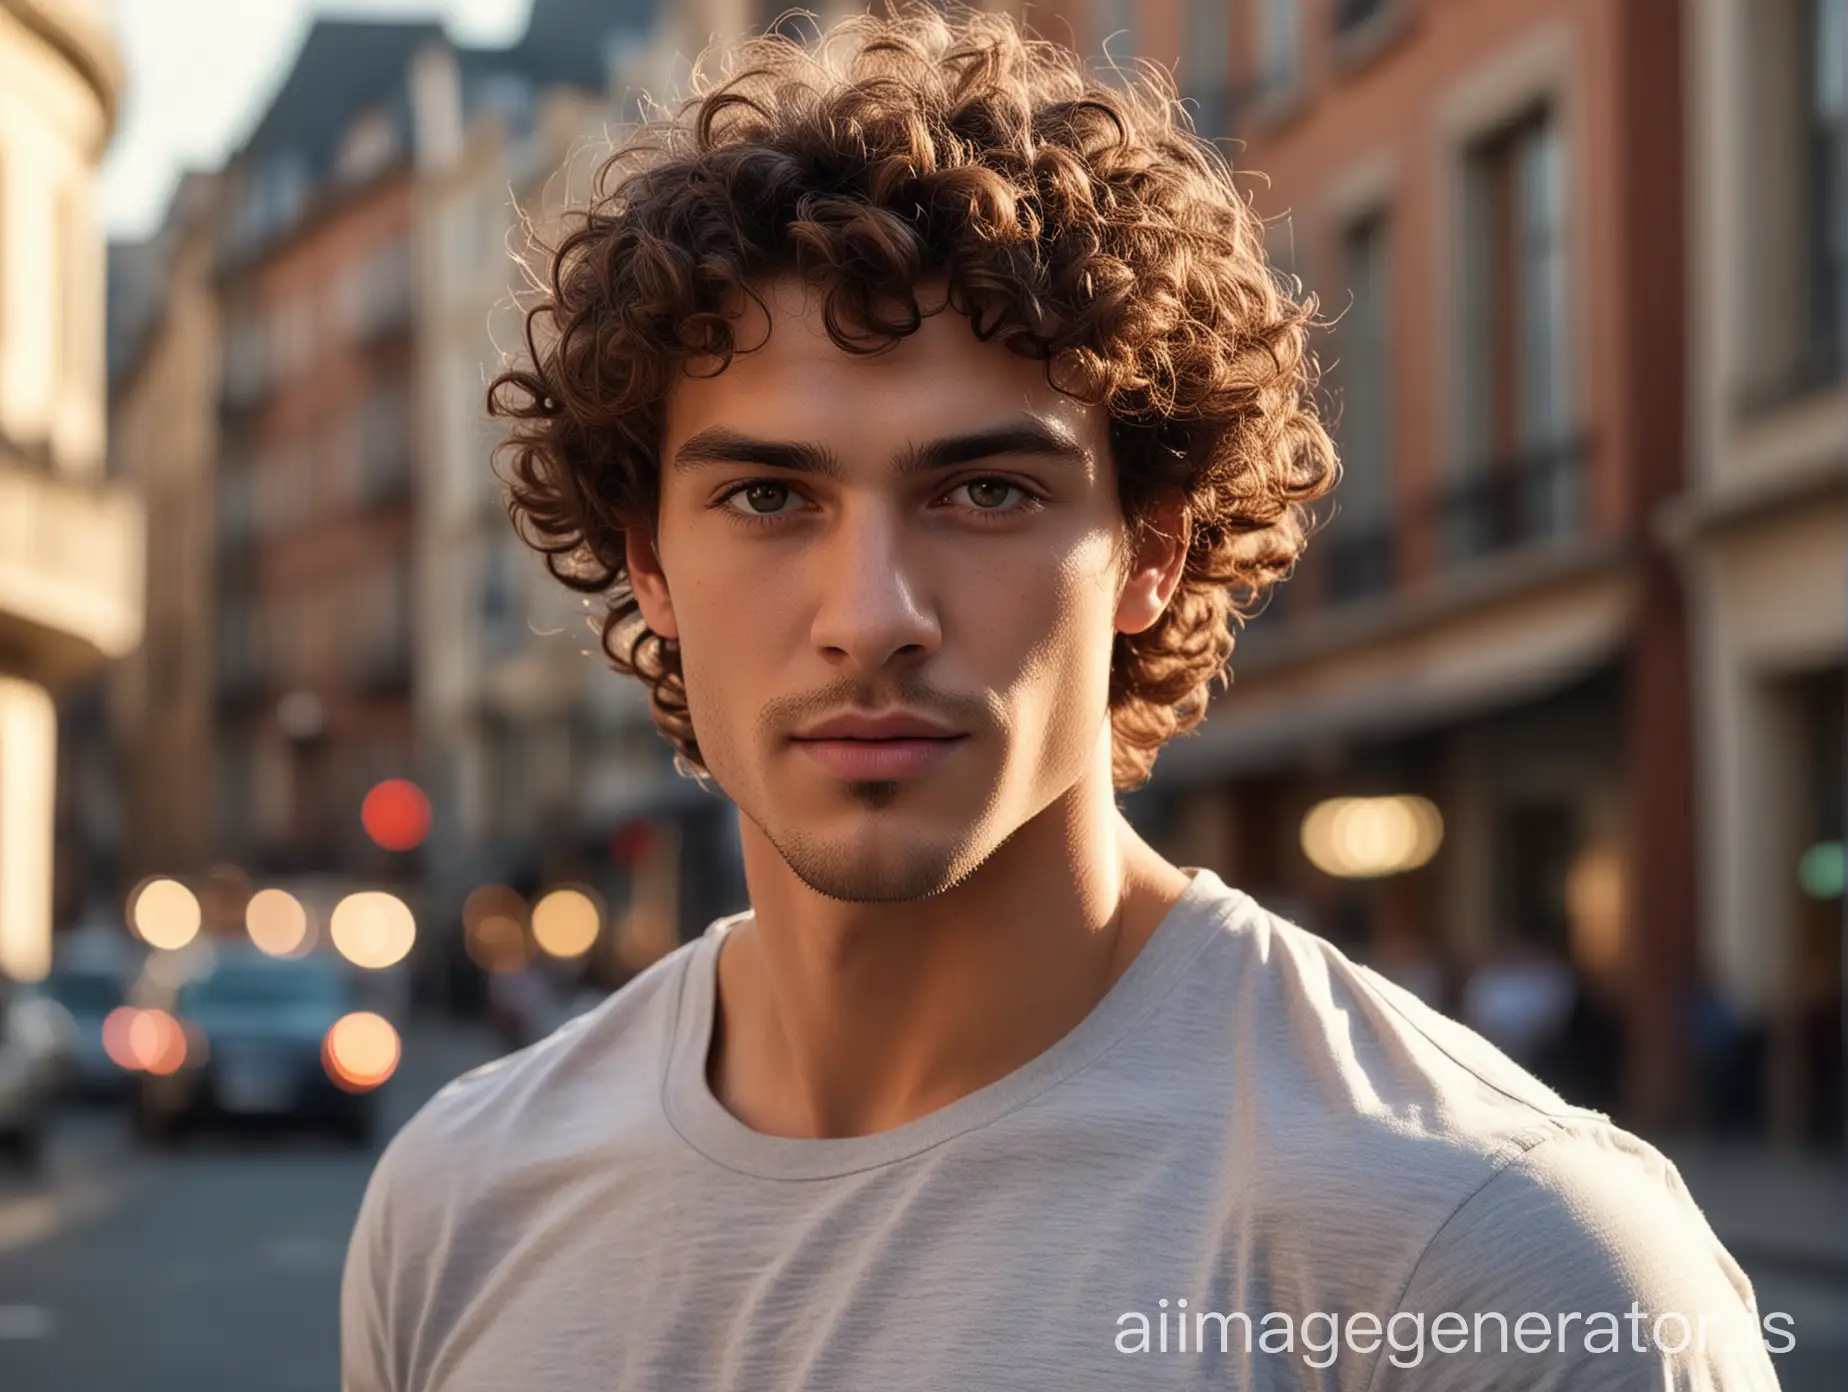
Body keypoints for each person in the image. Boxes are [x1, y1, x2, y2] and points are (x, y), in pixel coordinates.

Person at [341, 8, 1781, 1389]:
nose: (871, 618)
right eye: (770, 495)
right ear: (650, 565)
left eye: (985, 491)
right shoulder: (460, 1200)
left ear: (1150, 548)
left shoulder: (1494, 1256)